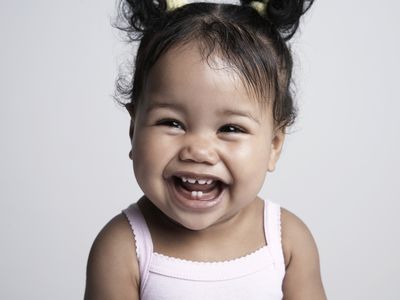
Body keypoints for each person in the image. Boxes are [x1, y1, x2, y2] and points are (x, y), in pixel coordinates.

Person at [84, 0, 327, 299]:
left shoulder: (286, 241)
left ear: (274, 145)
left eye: (230, 129)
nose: (198, 150)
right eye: (171, 122)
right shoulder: (123, 247)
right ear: (134, 129)